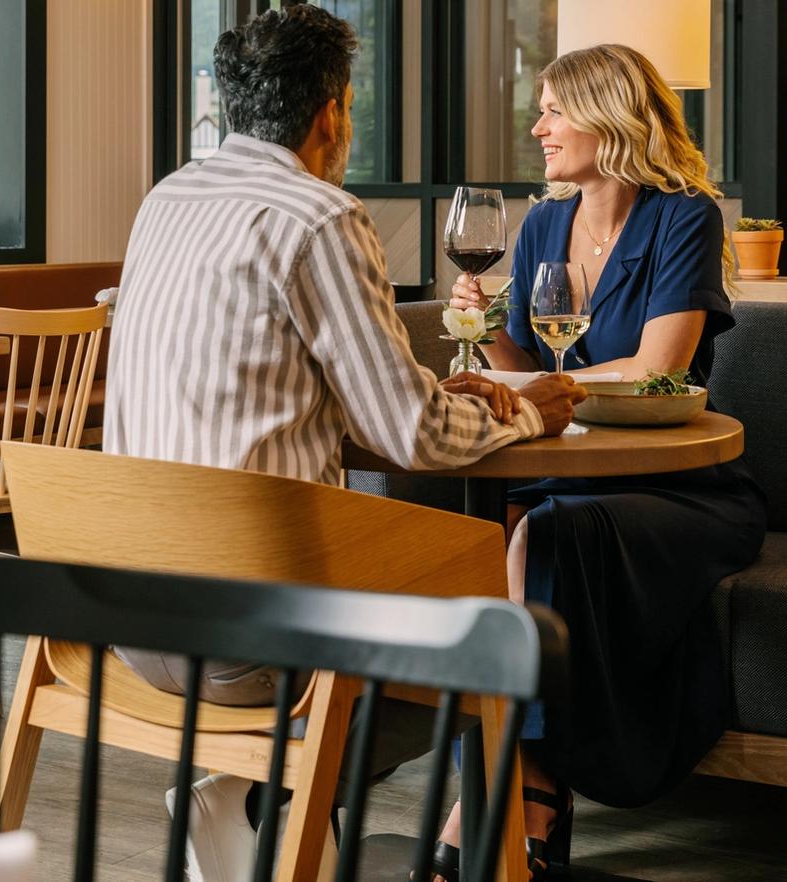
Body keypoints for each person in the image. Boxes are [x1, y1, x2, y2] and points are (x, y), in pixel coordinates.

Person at [102, 6, 589, 881]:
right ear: (331, 113)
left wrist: (423, 392)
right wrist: (528, 412)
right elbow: (413, 435)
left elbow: (292, 385)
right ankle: (277, 797)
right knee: (498, 635)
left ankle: (279, 806)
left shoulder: (165, 200)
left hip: (124, 611)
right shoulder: (320, 216)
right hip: (250, 636)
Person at [439, 43, 768, 880]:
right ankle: (526, 786)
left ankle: (518, 784)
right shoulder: (546, 222)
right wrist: (487, 330)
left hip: (677, 486)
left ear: (610, 113)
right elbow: (526, 371)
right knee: (490, 526)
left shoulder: (684, 213)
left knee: (543, 537)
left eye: (554, 109)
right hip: (565, 472)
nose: (539, 126)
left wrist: (538, 383)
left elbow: (658, 363)